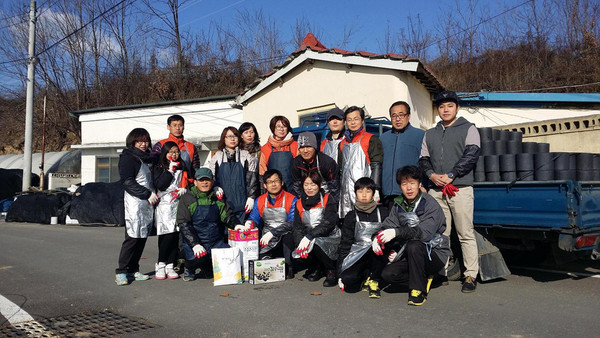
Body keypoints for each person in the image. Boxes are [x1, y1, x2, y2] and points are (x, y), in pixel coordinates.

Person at [418, 90, 481, 293]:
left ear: (457, 108)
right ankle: (441, 272)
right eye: (442, 106)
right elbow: (423, 159)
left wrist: (453, 174)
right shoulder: (430, 133)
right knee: (440, 232)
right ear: (438, 109)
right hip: (437, 189)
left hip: (460, 188)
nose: (445, 109)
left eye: (450, 106)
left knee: (465, 233)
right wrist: (431, 175)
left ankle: (471, 275)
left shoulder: (469, 128)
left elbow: (471, 154)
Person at [378, 165, 450, 306]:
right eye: (404, 184)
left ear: (419, 184)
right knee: (388, 275)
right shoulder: (398, 204)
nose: (409, 188)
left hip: (433, 253)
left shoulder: (430, 203)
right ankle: (423, 279)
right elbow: (388, 225)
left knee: (414, 244)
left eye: (412, 183)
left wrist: (397, 232)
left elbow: (424, 234)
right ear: (400, 186)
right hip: (409, 253)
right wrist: (377, 237)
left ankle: (417, 289)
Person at [176, 168, 244, 281]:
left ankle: (206, 266)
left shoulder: (217, 198)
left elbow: (226, 215)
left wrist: (236, 225)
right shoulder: (187, 199)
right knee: (197, 258)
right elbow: (184, 224)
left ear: (212, 182)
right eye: (201, 180)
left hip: (215, 241)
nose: (204, 183)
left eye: (207, 180)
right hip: (195, 241)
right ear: (195, 182)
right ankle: (190, 267)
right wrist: (195, 244)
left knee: (230, 256)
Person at [115, 128, 158, 286]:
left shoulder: (148, 159)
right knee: (132, 238)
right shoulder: (128, 158)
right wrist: (146, 194)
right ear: (132, 142)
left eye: (146, 141)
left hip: (147, 204)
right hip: (134, 203)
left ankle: (134, 269)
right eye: (139, 141)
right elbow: (127, 181)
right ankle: (121, 271)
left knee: (142, 238)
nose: (143, 144)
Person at [337, 177, 389, 298]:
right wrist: (340, 272)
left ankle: (374, 279)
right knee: (348, 280)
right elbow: (345, 243)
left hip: (379, 254)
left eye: (368, 191)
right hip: (358, 254)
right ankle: (365, 273)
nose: (364, 195)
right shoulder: (351, 216)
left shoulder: (383, 212)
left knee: (377, 247)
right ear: (355, 194)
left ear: (373, 193)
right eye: (360, 191)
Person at [292, 170, 340, 287]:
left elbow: (329, 223)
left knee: (316, 243)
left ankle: (331, 270)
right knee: (299, 249)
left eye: (313, 184)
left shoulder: (328, 199)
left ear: (319, 185)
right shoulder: (299, 203)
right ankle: (317, 267)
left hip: (329, 236)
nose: (309, 188)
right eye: (306, 184)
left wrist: (309, 236)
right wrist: (299, 242)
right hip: (310, 236)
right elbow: (297, 226)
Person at [247, 169, 297, 278]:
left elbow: (292, 223)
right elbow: (254, 218)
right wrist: (248, 224)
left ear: (282, 183)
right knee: (262, 261)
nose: (273, 184)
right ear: (265, 185)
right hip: (267, 237)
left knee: (288, 237)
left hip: (285, 236)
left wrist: (273, 233)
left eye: (276, 181)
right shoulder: (260, 200)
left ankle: (289, 266)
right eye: (269, 182)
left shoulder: (291, 199)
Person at [338, 106, 383, 218]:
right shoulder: (342, 143)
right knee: (347, 221)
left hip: (364, 191)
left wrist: (375, 189)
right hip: (345, 192)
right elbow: (340, 169)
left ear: (362, 120)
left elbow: (376, 165)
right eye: (349, 119)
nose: (353, 122)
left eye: (356, 119)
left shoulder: (371, 139)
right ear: (345, 122)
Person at [152, 141, 188, 280]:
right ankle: (161, 263)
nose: (174, 154)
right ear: (165, 153)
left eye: (176, 151)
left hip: (178, 203)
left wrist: (184, 188)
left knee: (175, 235)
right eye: (171, 152)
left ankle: (170, 265)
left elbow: (189, 180)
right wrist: (170, 170)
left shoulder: (183, 166)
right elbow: (160, 185)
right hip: (164, 205)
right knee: (165, 235)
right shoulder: (159, 167)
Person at [380, 101, 425, 208]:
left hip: (410, 192)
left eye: (401, 115)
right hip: (387, 194)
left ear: (408, 116)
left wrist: (422, 185)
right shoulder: (383, 138)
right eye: (394, 116)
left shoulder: (420, 135)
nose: (398, 119)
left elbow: (425, 162)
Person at [209, 127, 259, 223]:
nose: (232, 139)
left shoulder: (246, 156)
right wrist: (215, 187)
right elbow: (212, 177)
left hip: (242, 203)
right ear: (224, 138)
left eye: (235, 136)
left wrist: (251, 197)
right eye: (229, 136)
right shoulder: (217, 157)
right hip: (223, 203)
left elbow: (252, 179)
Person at [152, 114, 200, 184]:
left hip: (186, 187)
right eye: (174, 125)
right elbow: (153, 167)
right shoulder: (160, 145)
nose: (178, 128)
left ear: (183, 127)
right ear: (168, 127)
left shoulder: (191, 147)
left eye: (180, 125)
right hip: (165, 187)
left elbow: (196, 169)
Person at [291, 131, 339, 199]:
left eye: (308, 147)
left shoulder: (326, 162)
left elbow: (334, 189)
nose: (305, 151)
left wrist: (331, 206)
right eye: (302, 147)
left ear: (315, 148)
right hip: (307, 198)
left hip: (326, 198)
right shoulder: (296, 163)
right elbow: (297, 188)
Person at [259, 116, 298, 191]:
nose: (281, 129)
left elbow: (300, 169)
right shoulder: (265, 148)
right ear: (273, 128)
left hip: (293, 191)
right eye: (278, 126)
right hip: (272, 191)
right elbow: (262, 172)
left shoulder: (295, 146)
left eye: (284, 126)